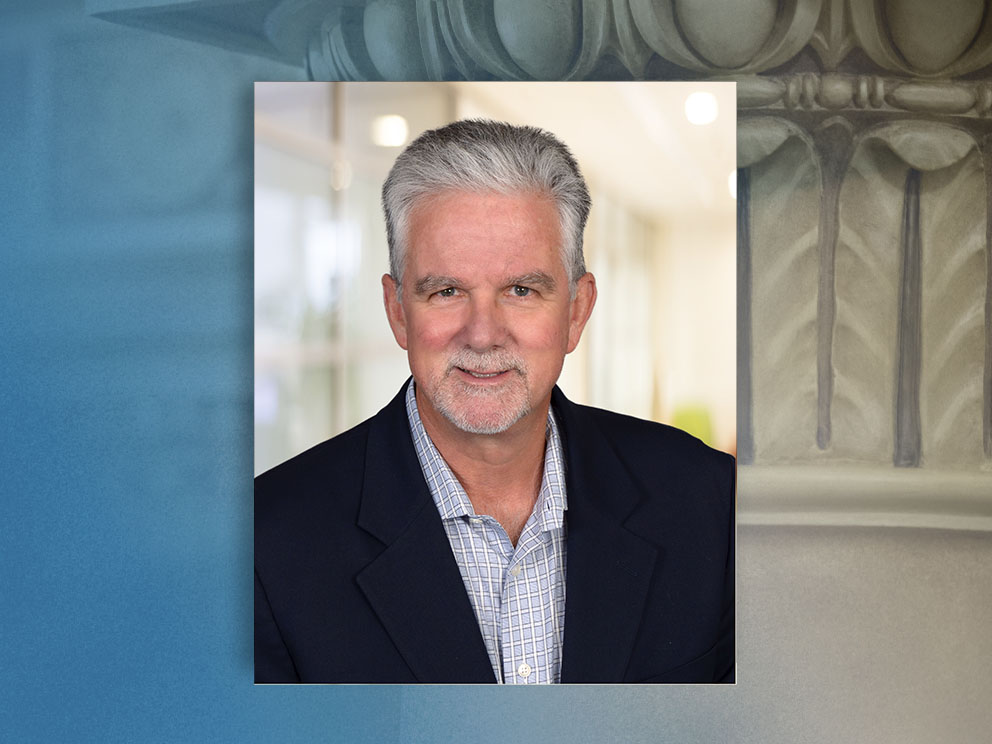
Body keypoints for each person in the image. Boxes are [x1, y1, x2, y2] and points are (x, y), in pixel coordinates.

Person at [254, 120, 735, 684]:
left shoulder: (710, 501)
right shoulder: (265, 543)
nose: (483, 334)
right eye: (447, 291)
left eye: (522, 290)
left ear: (577, 312)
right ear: (397, 311)